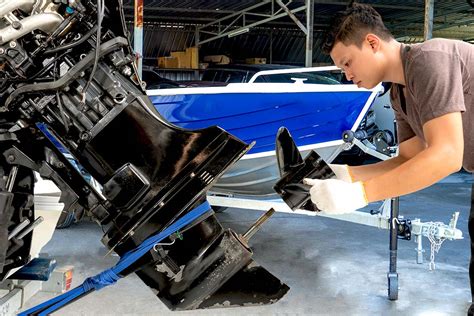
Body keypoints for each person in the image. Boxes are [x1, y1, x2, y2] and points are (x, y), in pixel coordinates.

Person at [302, 2, 474, 314]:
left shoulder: (429, 60)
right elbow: (407, 159)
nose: (347, 75)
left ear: (372, 43)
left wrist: (360, 195)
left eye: (348, 63)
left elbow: (448, 155)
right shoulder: (399, 91)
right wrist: (344, 174)